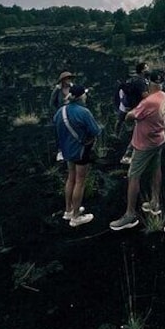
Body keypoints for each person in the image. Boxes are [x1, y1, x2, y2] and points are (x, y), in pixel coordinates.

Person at [110, 71, 165, 231]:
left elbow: (130, 116)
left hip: (144, 144)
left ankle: (130, 214)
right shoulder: (164, 96)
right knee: (156, 169)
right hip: (159, 139)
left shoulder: (149, 102)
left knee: (133, 175)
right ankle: (154, 202)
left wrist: (132, 109)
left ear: (149, 83)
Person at [54, 85, 100, 227]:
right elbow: (95, 131)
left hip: (67, 151)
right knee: (80, 181)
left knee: (71, 178)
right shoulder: (84, 112)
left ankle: (68, 210)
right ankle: (76, 216)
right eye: (85, 94)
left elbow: (55, 127)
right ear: (80, 97)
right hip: (81, 151)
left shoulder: (60, 111)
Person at [118, 62, 150, 165]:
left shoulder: (133, 80)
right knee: (138, 132)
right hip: (139, 109)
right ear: (142, 70)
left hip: (132, 109)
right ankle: (128, 155)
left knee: (134, 131)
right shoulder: (141, 82)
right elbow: (145, 96)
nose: (148, 69)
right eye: (146, 67)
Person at [50, 71, 74, 161]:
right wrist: (57, 113)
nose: (69, 80)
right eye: (67, 78)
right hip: (60, 114)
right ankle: (60, 151)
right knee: (60, 133)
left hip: (71, 113)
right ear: (63, 80)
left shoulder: (73, 88)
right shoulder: (57, 90)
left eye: (70, 78)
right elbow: (52, 103)